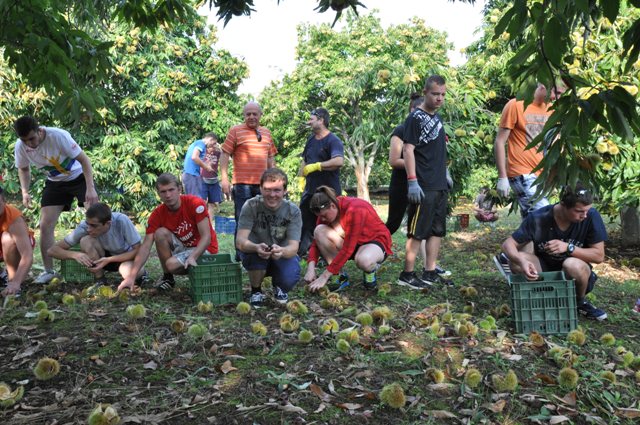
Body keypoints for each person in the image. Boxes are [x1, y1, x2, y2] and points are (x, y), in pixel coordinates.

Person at [501, 183, 608, 321]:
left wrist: (569, 247)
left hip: (576, 274)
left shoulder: (591, 216)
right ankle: (540, 298)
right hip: (544, 268)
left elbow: (599, 256)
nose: (584, 215)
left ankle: (579, 302)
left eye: (587, 210)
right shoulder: (539, 217)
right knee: (516, 261)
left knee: (572, 264)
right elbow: (507, 244)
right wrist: (522, 261)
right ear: (563, 204)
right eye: (579, 211)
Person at [13, 116, 99, 284]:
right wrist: (25, 192)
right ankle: (49, 271)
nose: (29, 143)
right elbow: (23, 169)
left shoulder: (58, 136)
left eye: (32, 138)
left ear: (40, 131)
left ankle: (102, 263)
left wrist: (90, 188)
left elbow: (84, 160)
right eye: (25, 140)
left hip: (79, 177)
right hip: (55, 183)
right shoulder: (21, 146)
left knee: (96, 218)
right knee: (45, 225)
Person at [116, 173, 218, 293]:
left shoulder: (195, 203)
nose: (168, 195)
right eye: (163, 192)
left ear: (179, 189)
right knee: (159, 233)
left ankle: (199, 271)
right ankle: (168, 278)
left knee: (171, 264)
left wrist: (193, 256)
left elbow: (207, 237)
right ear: (158, 194)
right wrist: (131, 277)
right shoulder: (157, 214)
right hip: (185, 247)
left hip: (205, 249)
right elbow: (145, 247)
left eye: (171, 190)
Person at [397, 75, 453, 289]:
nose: (439, 98)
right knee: (417, 230)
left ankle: (430, 271)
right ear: (425, 92)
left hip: (439, 184)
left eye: (443, 95)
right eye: (435, 94)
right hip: (423, 184)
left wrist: (445, 173)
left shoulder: (437, 119)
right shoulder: (415, 118)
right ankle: (407, 274)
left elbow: (438, 151)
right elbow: (408, 149)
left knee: (437, 230)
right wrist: (412, 181)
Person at [494, 83, 564, 217]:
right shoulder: (516, 105)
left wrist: (554, 176)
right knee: (544, 215)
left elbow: (555, 144)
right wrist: (502, 177)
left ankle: (522, 239)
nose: (558, 98)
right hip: (521, 172)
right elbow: (500, 141)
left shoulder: (553, 110)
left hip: (541, 175)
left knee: (531, 225)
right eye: (557, 92)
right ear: (544, 84)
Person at [305, 186, 392, 292]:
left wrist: (324, 276)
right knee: (319, 230)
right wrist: (310, 268)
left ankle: (370, 271)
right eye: (320, 216)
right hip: (351, 242)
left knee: (364, 260)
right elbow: (316, 242)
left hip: (374, 241)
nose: (322, 219)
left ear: (332, 205)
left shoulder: (355, 209)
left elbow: (348, 248)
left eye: (324, 216)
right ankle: (339, 276)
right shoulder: (325, 212)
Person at [236, 168, 302, 307]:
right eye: (267, 189)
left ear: (285, 191)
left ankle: (279, 285)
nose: (272, 194)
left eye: (277, 190)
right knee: (254, 257)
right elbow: (240, 241)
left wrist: (282, 251)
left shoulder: (293, 211)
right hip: (256, 251)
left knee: (290, 276)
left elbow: (293, 247)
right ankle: (256, 290)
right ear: (260, 188)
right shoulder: (251, 205)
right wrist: (255, 247)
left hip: (280, 252)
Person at [220, 102, 277, 257]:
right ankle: (241, 256)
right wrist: (224, 179)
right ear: (244, 115)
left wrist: (274, 180)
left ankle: (260, 252)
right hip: (242, 185)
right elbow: (225, 154)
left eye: (254, 114)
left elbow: (271, 157)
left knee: (263, 220)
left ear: (260, 115)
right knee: (243, 220)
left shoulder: (266, 133)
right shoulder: (235, 131)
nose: (251, 117)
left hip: (263, 186)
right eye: (248, 114)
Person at [48, 202, 149, 290]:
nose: (89, 229)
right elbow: (52, 251)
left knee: (126, 270)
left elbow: (138, 250)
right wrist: (74, 255)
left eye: (94, 226)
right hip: (103, 259)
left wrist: (109, 259)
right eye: (88, 224)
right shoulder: (85, 226)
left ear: (108, 223)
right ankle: (100, 280)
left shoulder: (121, 221)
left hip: (126, 258)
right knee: (86, 240)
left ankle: (141, 276)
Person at [297, 107, 344, 256]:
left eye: (311, 119)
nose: (309, 122)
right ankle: (304, 252)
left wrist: (318, 166)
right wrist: (300, 178)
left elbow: (339, 161)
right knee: (305, 222)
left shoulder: (333, 140)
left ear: (321, 120)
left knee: (329, 222)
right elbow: (305, 160)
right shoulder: (310, 140)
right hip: (310, 190)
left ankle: (330, 253)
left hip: (328, 192)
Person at [0, 186, 35, 297]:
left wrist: (15, 283)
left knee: (7, 238)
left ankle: (12, 279)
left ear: (4, 201)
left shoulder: (13, 217)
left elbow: (27, 255)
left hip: (15, 245)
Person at [182, 133, 218, 198]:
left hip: (193, 174)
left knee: (195, 199)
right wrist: (206, 167)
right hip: (191, 174)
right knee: (195, 199)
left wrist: (208, 164)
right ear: (210, 139)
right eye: (214, 143)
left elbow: (199, 160)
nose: (213, 145)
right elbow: (194, 157)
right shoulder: (201, 143)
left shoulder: (200, 145)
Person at [200, 133, 223, 218]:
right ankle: (201, 220)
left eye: (214, 145)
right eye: (211, 146)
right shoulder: (202, 150)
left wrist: (220, 148)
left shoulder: (217, 152)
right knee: (202, 202)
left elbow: (227, 158)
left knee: (212, 203)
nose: (212, 148)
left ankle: (209, 223)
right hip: (203, 178)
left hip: (214, 179)